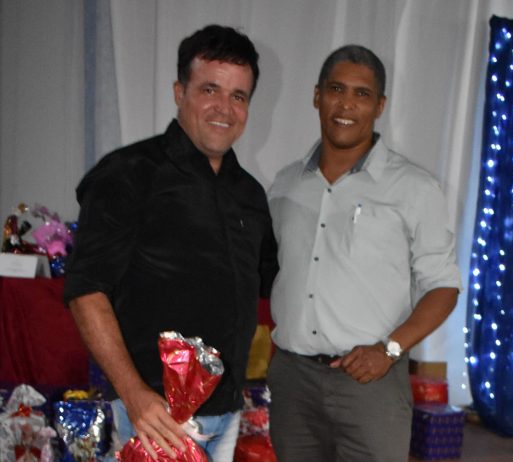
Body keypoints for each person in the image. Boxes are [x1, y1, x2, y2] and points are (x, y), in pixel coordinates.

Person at [64, 24, 278, 462]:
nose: (224, 108)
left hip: (227, 415)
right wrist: (134, 394)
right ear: (180, 92)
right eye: (210, 90)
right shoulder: (127, 174)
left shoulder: (250, 195)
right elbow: (86, 291)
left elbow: (270, 284)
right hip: (156, 417)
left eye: (238, 96)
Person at [267, 44, 462, 462]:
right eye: (336, 89)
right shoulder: (285, 184)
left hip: (371, 383)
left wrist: (389, 350)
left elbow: (444, 287)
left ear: (380, 106)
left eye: (362, 94)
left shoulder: (414, 189)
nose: (346, 104)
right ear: (317, 95)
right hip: (293, 383)